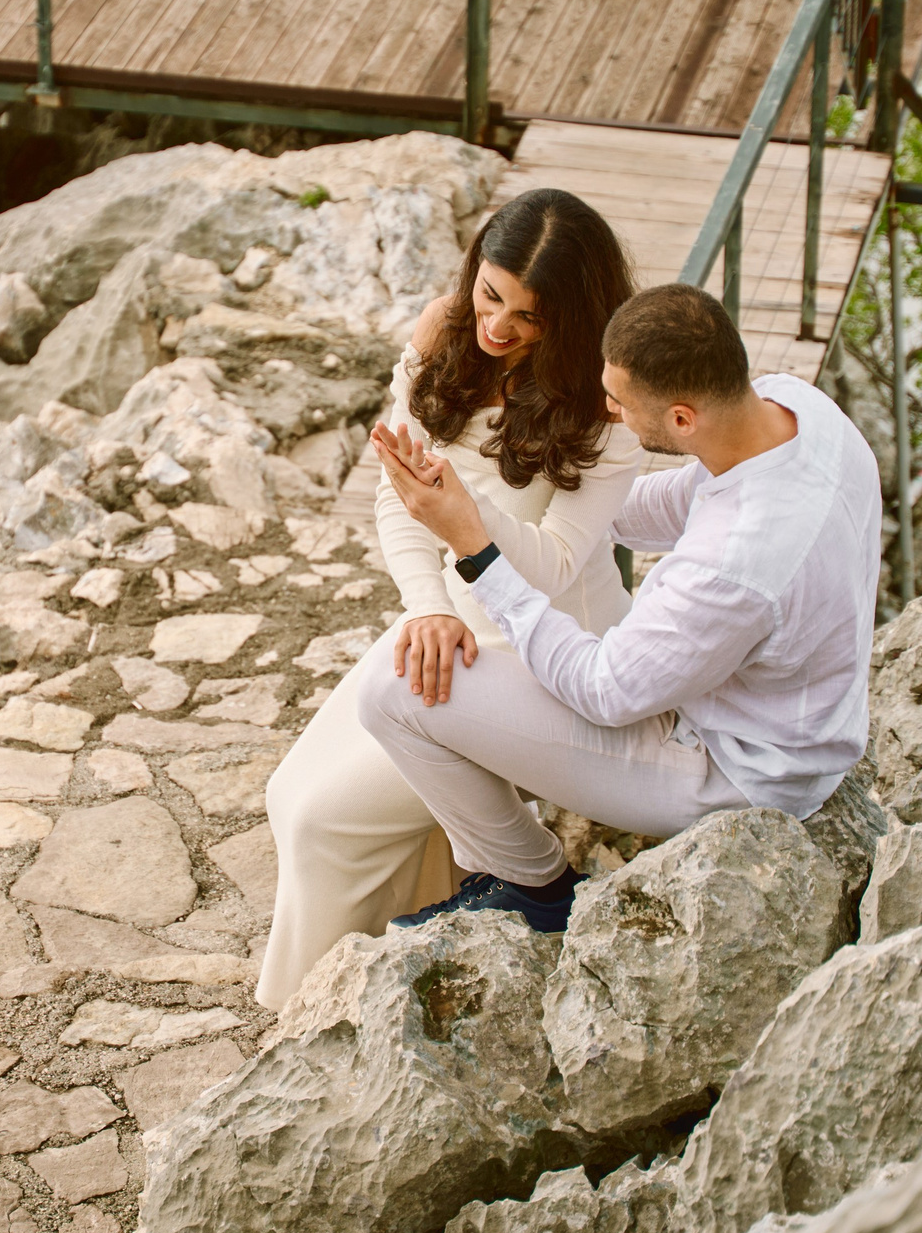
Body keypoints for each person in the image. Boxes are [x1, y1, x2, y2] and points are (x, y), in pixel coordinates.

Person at [356, 281, 881, 934]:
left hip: (734, 769)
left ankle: (538, 890)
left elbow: (603, 689)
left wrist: (476, 549)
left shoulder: (735, 562)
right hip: (778, 711)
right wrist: (551, 504)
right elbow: (671, 503)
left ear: (681, 419)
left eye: (620, 402)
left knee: (392, 690)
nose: (606, 409)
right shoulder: (795, 409)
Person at [253, 188, 643, 1010]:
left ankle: (312, 1011)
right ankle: (395, 947)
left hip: (548, 646)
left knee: (324, 819)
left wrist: (461, 510)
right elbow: (397, 498)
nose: (498, 325)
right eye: (490, 293)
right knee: (288, 793)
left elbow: (555, 565)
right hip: (453, 621)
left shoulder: (605, 409)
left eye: (529, 316)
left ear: (571, 319)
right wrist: (426, 604)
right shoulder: (451, 337)